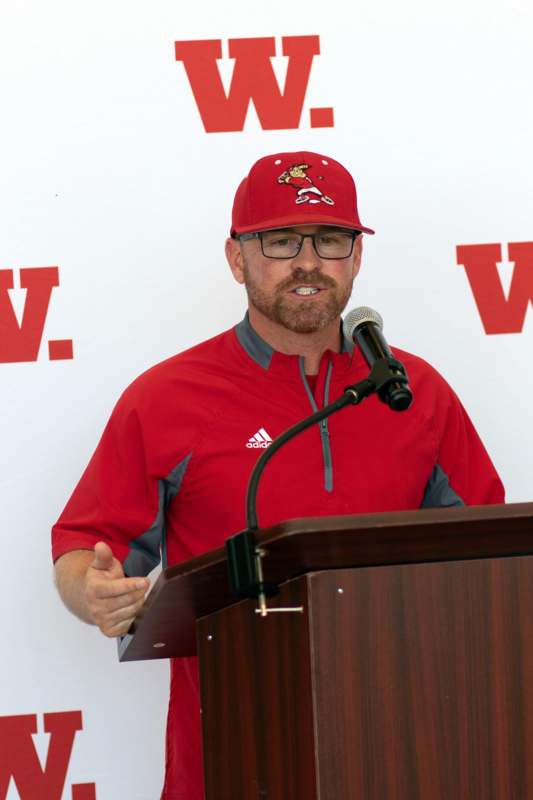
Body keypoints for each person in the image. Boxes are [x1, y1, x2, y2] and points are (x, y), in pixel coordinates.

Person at [52, 151, 505, 800]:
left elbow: (485, 551)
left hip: (404, 748)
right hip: (233, 752)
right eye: (280, 240)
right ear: (237, 259)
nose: (307, 261)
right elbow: (87, 548)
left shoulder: (413, 392)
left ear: (355, 257)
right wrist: (92, 591)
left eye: (330, 239)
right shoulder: (166, 399)